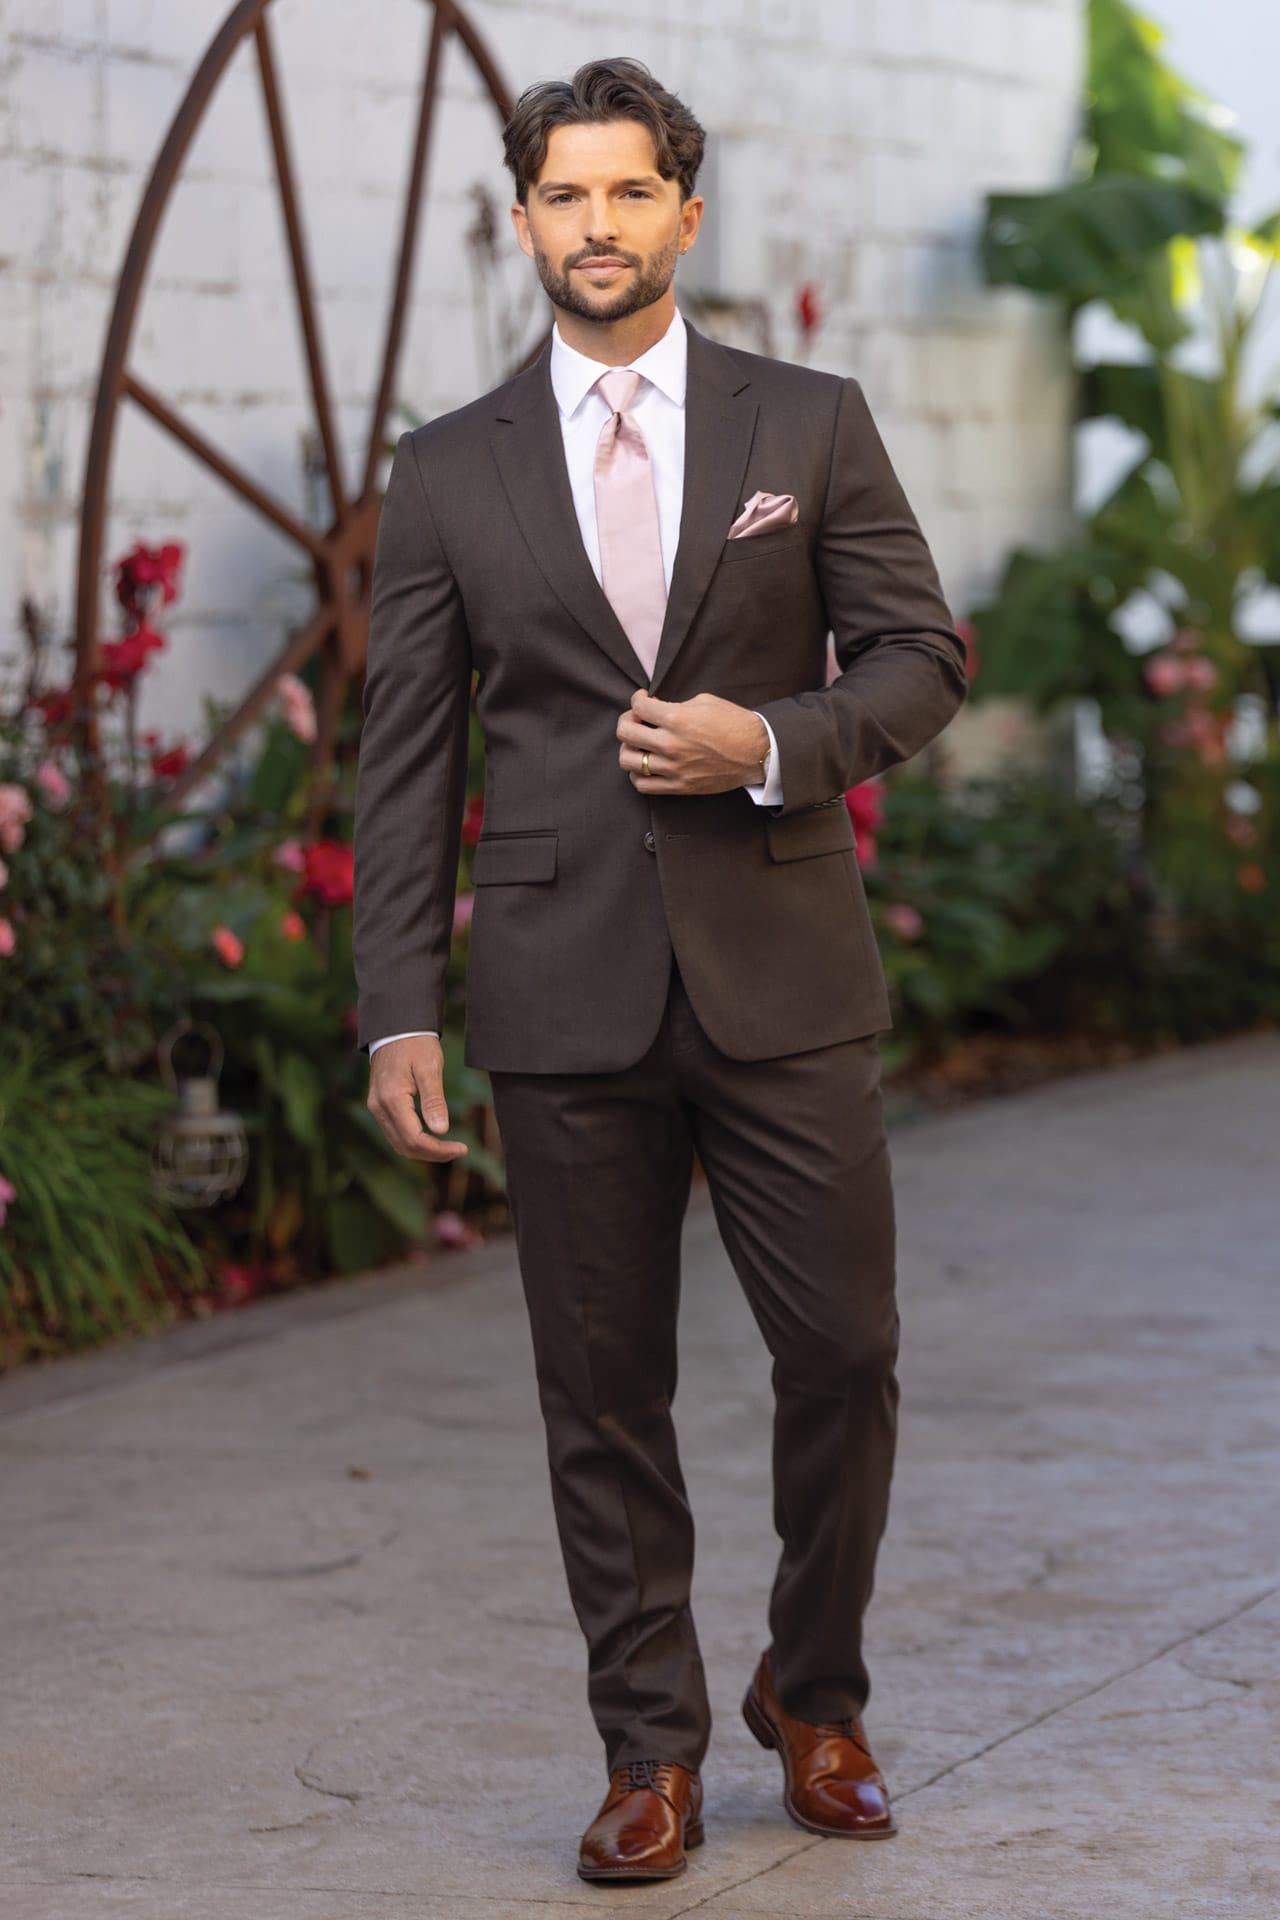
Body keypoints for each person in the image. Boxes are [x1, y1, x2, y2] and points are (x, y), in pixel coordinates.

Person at [354, 55, 967, 1886]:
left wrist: (768, 744)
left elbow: (920, 656)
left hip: (782, 963)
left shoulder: (810, 423)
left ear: (686, 213)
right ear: (527, 218)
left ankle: (819, 1688)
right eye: (566, 197)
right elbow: (408, 755)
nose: (599, 227)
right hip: (559, 982)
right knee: (600, 1388)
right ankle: (651, 1748)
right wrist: (398, 1001)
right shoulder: (449, 468)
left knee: (843, 1352)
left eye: (632, 194)